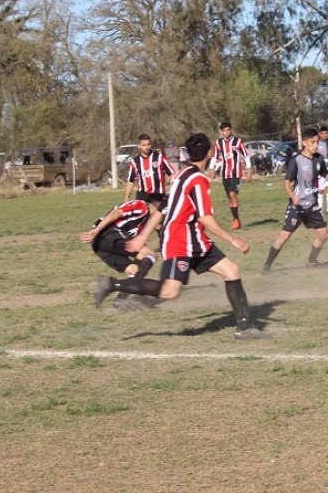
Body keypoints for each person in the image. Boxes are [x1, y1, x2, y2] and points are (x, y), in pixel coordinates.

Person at [98, 132, 271, 340]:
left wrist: (143, 236)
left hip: (195, 239)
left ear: (188, 153)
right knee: (170, 292)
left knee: (231, 270)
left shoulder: (181, 174)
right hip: (180, 240)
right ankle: (112, 284)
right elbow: (205, 218)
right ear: (209, 153)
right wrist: (232, 239)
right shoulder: (198, 180)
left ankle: (244, 327)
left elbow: (162, 208)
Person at [260, 127, 328, 274]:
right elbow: (286, 183)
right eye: (312, 142)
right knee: (284, 237)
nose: (316, 145)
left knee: (323, 235)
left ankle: (311, 261)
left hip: (312, 205)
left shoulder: (319, 159)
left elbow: (326, 175)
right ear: (304, 143)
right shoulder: (296, 160)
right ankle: (267, 265)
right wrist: (292, 196)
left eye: (317, 142)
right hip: (297, 207)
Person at [80, 198, 161, 307]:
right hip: (108, 234)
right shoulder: (141, 206)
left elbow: (140, 259)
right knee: (150, 255)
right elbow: (117, 212)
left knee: (135, 271)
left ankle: (119, 301)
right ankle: (112, 286)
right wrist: (97, 230)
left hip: (99, 246)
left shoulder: (144, 225)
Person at [209, 122, 253, 230]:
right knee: (230, 197)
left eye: (228, 130)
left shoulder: (237, 141)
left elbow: (246, 155)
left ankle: (236, 220)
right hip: (225, 173)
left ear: (231, 130)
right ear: (221, 132)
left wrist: (249, 170)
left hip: (236, 173)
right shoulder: (218, 143)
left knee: (233, 194)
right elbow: (214, 157)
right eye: (224, 130)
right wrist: (211, 169)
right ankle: (235, 219)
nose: (226, 132)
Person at [124, 134, 175, 205]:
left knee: (157, 215)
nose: (147, 147)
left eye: (148, 144)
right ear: (139, 146)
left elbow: (172, 175)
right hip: (142, 196)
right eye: (144, 145)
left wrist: (174, 191)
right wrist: (126, 198)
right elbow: (130, 181)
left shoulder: (159, 157)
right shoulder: (135, 161)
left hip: (158, 195)